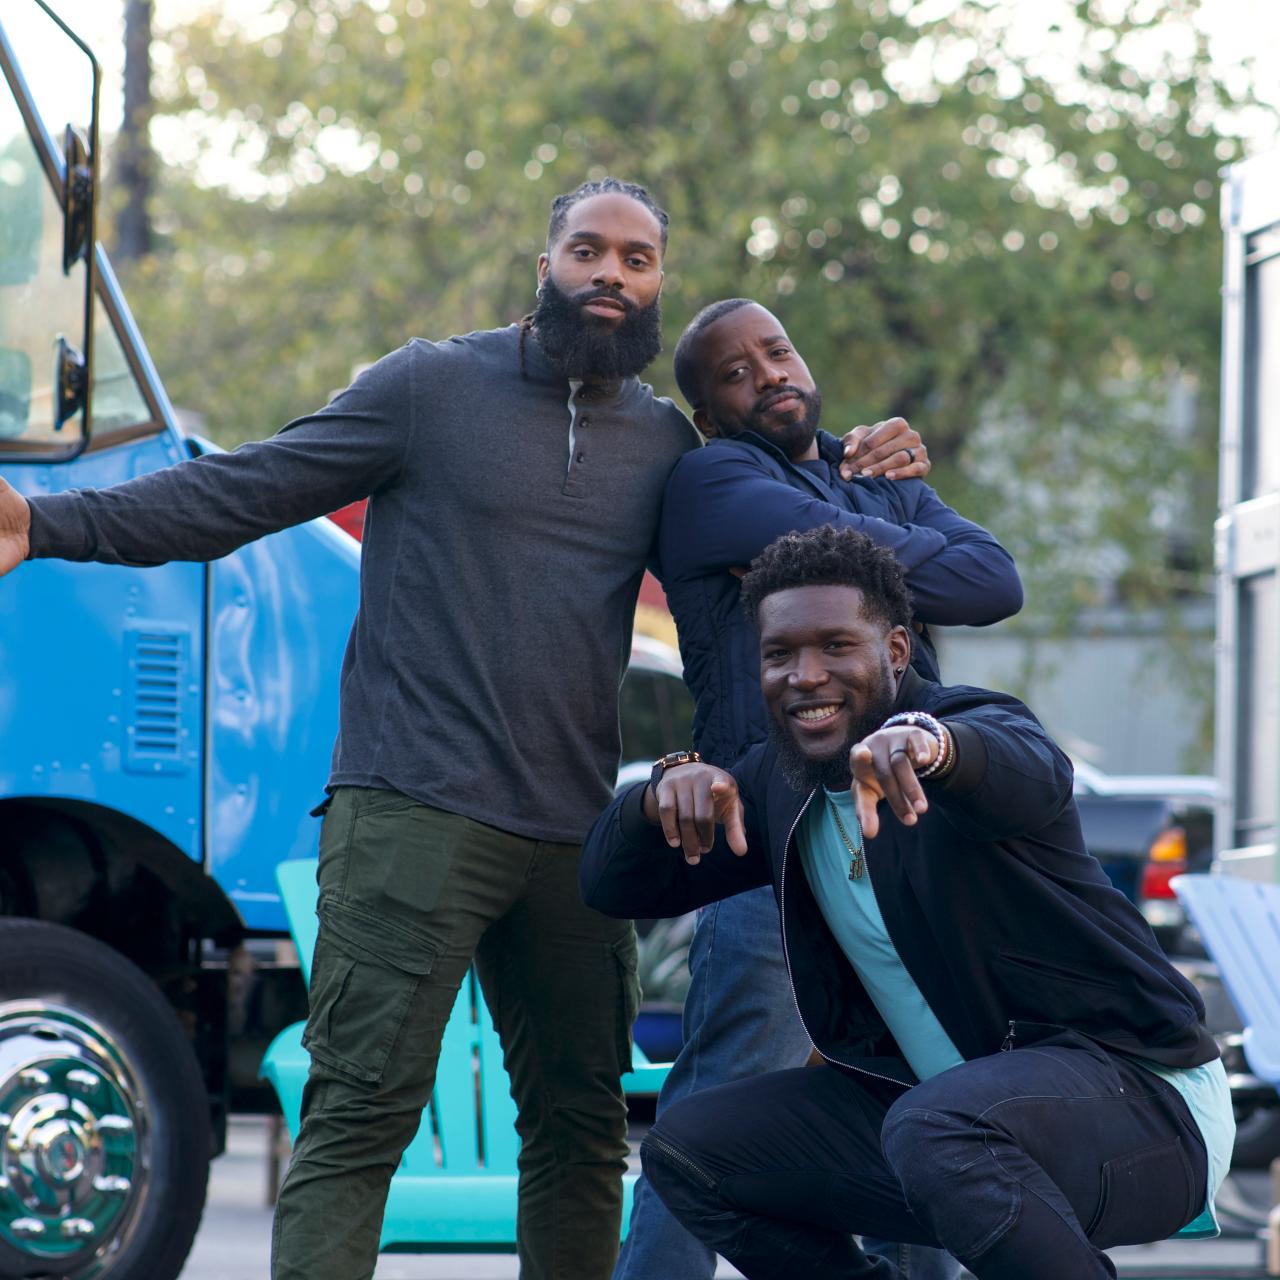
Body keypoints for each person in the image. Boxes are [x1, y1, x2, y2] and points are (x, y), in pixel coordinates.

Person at [0, 178, 699, 1280]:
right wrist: (47, 522)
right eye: (586, 249)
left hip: (575, 836)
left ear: (658, 284)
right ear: (543, 262)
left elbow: (753, 553)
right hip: (413, 812)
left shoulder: (664, 442)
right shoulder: (429, 387)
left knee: (579, 1128)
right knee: (359, 1116)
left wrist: (865, 467)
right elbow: (242, 490)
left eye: (637, 259)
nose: (609, 273)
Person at [582, 525, 1234, 1280]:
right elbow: (612, 886)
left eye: (835, 646)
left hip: (1143, 1102)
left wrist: (933, 749)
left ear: (895, 651)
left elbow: (1028, 767)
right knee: (689, 1148)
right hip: (952, 1121)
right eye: (780, 654)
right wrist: (656, 794)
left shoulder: (966, 727)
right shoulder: (776, 785)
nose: (805, 674)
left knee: (936, 1124)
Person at [614, 299, 1022, 1280]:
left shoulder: (868, 468)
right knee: (712, 1113)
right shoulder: (711, 479)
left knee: (931, 1102)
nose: (768, 375)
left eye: (777, 351)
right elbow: (895, 570)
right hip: (774, 849)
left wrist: (857, 525)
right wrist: (882, 539)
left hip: (908, 849)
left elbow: (995, 581)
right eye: (736, 374)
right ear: (709, 412)